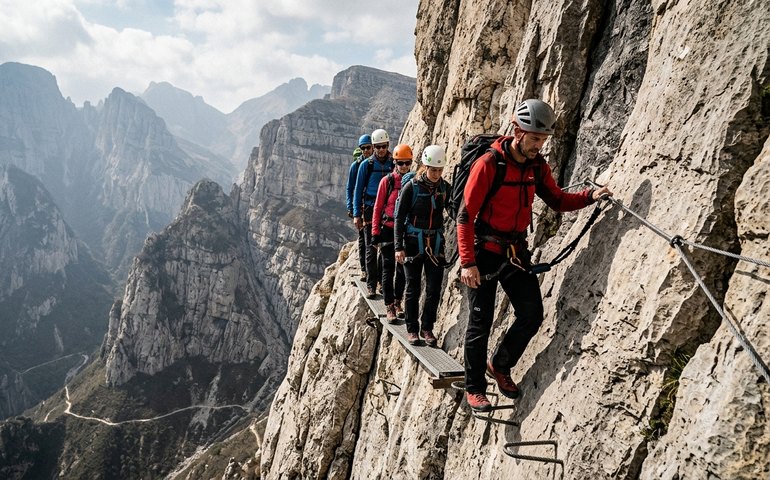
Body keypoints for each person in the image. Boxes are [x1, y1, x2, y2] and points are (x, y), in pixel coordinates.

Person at [457, 99, 613, 412]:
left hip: (515, 252)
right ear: (517, 131)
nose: (539, 146)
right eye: (535, 139)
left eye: (543, 140)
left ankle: (500, 365)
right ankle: (475, 389)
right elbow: (464, 215)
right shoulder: (489, 164)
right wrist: (467, 262)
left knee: (531, 314)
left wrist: (590, 196)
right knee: (480, 324)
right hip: (484, 254)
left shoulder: (537, 167)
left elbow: (556, 200)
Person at [395, 145, 451, 347]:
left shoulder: (445, 188)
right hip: (412, 243)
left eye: (439, 170)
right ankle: (412, 329)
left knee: (434, 289)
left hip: (435, 243)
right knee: (413, 288)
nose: (436, 174)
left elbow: (453, 210)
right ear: (425, 167)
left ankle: (427, 328)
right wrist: (398, 247)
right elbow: (399, 217)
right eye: (433, 169)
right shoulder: (411, 187)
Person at [371, 144, 412, 322]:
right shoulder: (387, 182)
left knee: (402, 269)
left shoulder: (413, 182)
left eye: (407, 163)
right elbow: (378, 208)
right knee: (388, 268)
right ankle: (389, 306)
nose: (403, 167)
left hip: (404, 230)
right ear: (394, 163)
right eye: (400, 163)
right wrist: (374, 233)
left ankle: (397, 301)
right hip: (388, 229)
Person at [353, 129, 394, 298]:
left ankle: (381, 284)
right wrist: (356, 213)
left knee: (385, 249)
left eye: (384, 146)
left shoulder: (394, 163)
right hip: (370, 208)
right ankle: (371, 284)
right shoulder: (367, 165)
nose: (381, 150)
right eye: (378, 147)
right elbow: (357, 190)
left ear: (388, 145)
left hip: (387, 210)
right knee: (371, 248)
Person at [346, 134, 373, 279]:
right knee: (363, 238)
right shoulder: (356, 166)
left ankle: (371, 271)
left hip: (372, 205)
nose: (366, 151)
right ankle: (364, 269)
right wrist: (351, 208)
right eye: (363, 148)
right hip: (362, 207)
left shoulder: (374, 164)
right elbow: (350, 188)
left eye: (368, 147)